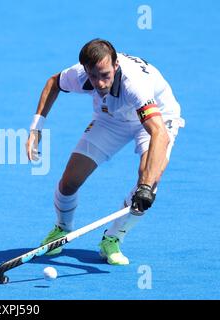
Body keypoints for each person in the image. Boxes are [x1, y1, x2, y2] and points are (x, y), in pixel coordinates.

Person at [26, 39, 184, 265]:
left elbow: (158, 132)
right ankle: (62, 230)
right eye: (93, 76)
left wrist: (146, 187)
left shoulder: (134, 85)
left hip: (157, 119)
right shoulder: (81, 74)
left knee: (149, 181)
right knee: (69, 181)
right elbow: (54, 83)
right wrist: (36, 128)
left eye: (105, 75)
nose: (99, 83)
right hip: (111, 119)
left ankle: (112, 238)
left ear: (116, 65)